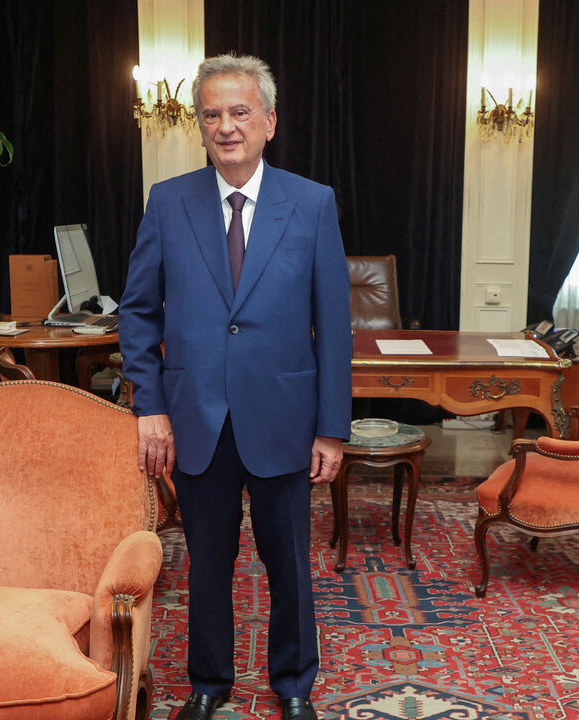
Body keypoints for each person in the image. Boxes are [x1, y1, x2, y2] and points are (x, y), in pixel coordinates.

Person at [118, 53, 352, 720]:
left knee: (290, 570)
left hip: (284, 417)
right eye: (212, 114)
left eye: (240, 112)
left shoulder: (312, 204)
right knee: (205, 565)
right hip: (197, 420)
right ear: (199, 126)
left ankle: (295, 684)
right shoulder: (168, 202)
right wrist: (150, 409)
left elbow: (334, 326)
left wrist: (331, 427)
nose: (226, 126)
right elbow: (137, 310)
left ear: (269, 121)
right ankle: (208, 684)